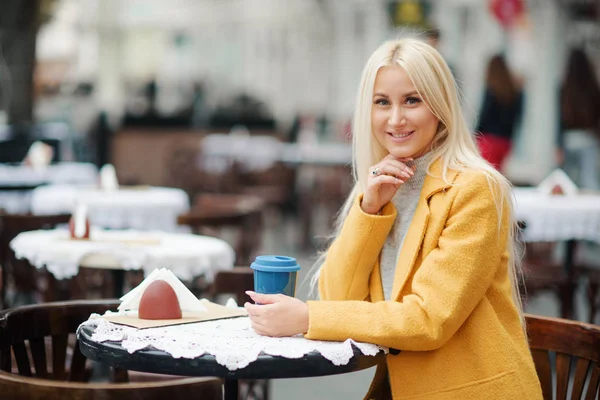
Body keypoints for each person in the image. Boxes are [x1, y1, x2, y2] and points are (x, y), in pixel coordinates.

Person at [244, 38, 542, 399]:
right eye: (382, 102)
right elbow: (337, 296)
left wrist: (308, 317)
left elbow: (428, 319)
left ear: (441, 106)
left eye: (412, 100)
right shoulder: (377, 184)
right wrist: (368, 210)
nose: (396, 118)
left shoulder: (475, 188)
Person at [558, 48, 600, 190]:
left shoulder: (565, 88)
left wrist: (557, 144)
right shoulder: (593, 87)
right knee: (589, 181)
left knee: (568, 184)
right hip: (589, 138)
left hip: (570, 140)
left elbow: (560, 120)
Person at [475, 54, 524, 172]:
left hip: (488, 140)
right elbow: (518, 118)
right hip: (505, 141)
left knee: (486, 174)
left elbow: (484, 115)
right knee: (498, 174)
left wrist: (476, 135)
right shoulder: (515, 92)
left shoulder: (491, 90)